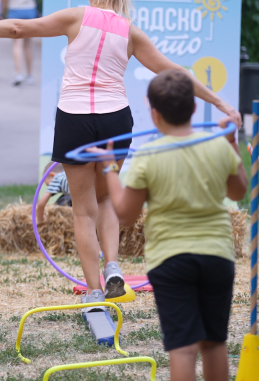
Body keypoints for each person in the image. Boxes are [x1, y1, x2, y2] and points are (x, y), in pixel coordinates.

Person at [0, 0, 241, 311]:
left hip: (75, 119)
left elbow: (18, 27)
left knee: (83, 212)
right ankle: (113, 267)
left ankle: (93, 293)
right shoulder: (130, 32)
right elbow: (175, 72)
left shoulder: (76, 17)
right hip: (115, 121)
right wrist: (222, 102)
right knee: (106, 200)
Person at [96, 70, 247, 381]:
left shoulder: (150, 155)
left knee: (182, 348)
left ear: (153, 112)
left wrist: (110, 168)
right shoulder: (217, 145)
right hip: (217, 256)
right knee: (214, 343)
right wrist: (231, 142)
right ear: (194, 108)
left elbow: (124, 214)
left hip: (171, 260)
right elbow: (238, 192)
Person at [1, 0, 41, 86]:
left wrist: (2, 12)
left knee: (17, 44)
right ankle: (30, 75)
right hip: (30, 11)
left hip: (15, 11)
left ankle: (18, 73)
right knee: (28, 44)